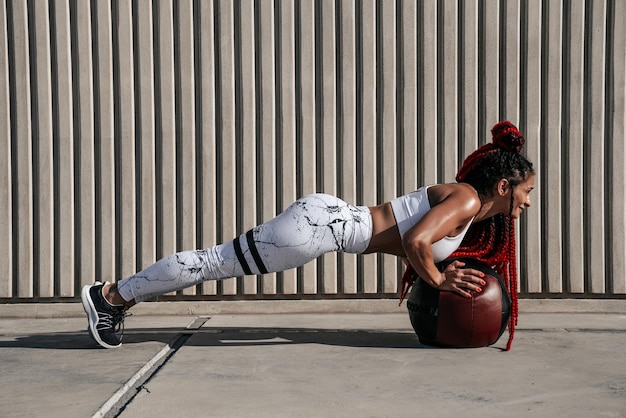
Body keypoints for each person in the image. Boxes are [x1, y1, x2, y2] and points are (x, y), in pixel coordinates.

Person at [82, 120, 535, 350]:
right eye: (527, 192)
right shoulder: (469, 201)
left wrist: (439, 267)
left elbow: (409, 241)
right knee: (212, 262)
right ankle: (112, 296)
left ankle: (116, 296)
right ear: (504, 186)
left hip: (324, 221)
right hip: (319, 229)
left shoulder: (464, 207)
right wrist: (437, 280)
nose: (528, 202)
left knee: (213, 261)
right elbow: (417, 244)